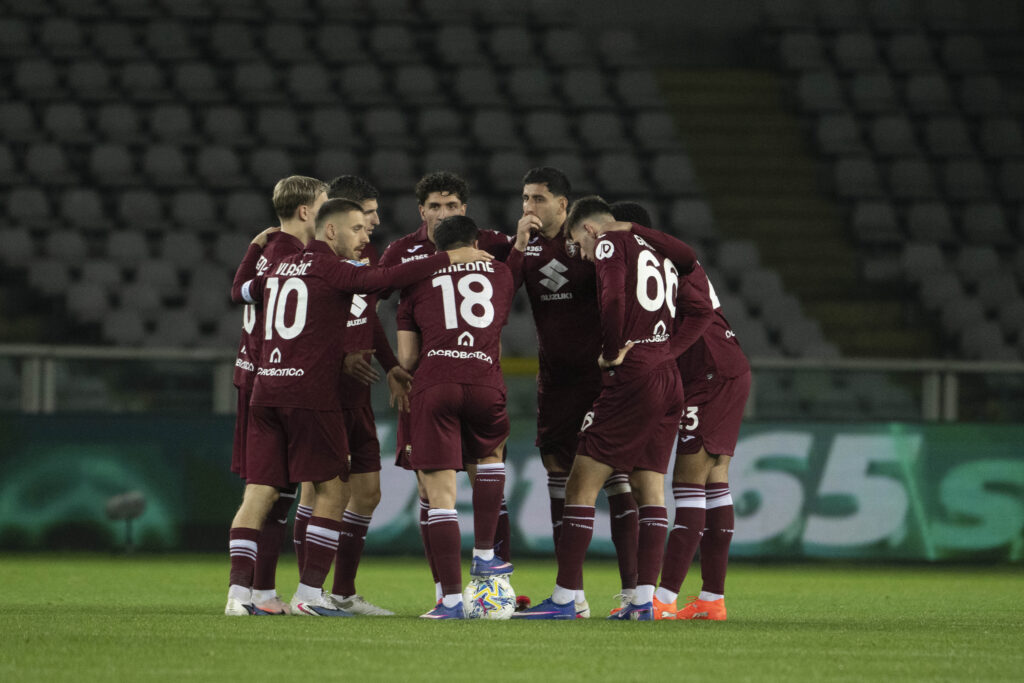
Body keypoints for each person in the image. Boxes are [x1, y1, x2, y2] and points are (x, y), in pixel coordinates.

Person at [223, 198, 493, 617]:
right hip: (310, 396)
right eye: (356, 229)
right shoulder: (333, 268)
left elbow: (240, 290)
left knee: (259, 492)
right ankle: (311, 594)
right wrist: (450, 257)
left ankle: (238, 597)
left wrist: (255, 249)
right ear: (330, 231)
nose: (366, 237)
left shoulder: (275, 267)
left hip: (264, 392)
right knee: (335, 490)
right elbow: (389, 276)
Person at [514, 195, 709, 621]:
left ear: (587, 229)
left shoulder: (607, 243)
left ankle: (566, 600)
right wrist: (667, 351)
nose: (583, 255)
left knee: (580, 485)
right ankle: (643, 602)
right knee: (650, 489)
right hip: (666, 376)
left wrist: (610, 350)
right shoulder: (658, 250)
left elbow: (614, 297)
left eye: (579, 246)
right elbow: (701, 309)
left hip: (633, 376)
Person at [504, 168, 640, 617]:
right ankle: (573, 595)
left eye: (539, 199)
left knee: (617, 477)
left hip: (600, 379)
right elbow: (500, 301)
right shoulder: (526, 246)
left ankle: (633, 592)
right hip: (555, 383)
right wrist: (519, 247)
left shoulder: (593, 242)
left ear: (564, 205)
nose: (529, 207)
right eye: (525, 198)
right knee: (558, 473)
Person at [609, 201, 749, 621]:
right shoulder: (668, 261)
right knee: (714, 481)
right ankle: (711, 600)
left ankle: (664, 599)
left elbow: (696, 314)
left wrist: (661, 354)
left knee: (688, 484)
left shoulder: (654, 263)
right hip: (727, 367)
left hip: (707, 374)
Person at [378, 171, 514, 605]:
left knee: (441, 492)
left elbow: (399, 337)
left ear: (463, 210)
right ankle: (464, 581)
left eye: (449, 206)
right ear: (421, 211)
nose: (441, 214)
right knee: (481, 474)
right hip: (483, 378)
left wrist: (397, 366)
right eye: (433, 207)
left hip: (432, 383)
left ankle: (473, 593)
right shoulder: (496, 262)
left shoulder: (423, 268)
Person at [289, 175, 402, 616]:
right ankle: (309, 591)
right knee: (317, 491)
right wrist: (339, 357)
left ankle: (342, 592)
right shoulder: (310, 259)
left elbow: (367, 316)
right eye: (367, 213)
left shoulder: (362, 254)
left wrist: (389, 363)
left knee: (367, 492)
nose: (374, 222)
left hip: (357, 393)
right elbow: (304, 329)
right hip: (318, 391)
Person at [225, 175, 327, 616]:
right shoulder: (294, 259)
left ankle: (260, 592)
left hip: (257, 376)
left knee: (278, 492)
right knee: (265, 490)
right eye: (324, 205)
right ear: (305, 211)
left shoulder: (268, 255)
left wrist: (251, 248)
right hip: (273, 381)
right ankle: (246, 591)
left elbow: (239, 292)